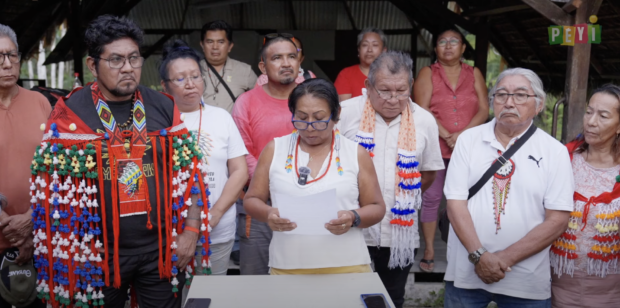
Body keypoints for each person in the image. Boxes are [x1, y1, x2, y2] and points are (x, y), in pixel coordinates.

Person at [29, 15, 213, 307]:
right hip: (96, 255)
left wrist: (191, 230)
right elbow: (52, 191)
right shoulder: (70, 114)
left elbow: (191, 172)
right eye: (115, 60)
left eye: (134, 58)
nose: (127, 68)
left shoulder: (163, 106)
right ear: (93, 65)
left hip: (160, 250)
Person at [443, 68, 574, 307]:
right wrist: (480, 256)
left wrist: (501, 259)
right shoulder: (468, 140)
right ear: (492, 102)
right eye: (501, 95)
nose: (509, 102)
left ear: (539, 104)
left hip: (526, 279)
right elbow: (455, 204)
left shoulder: (554, 151)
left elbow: (558, 220)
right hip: (466, 272)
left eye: (521, 95)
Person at [244, 78, 385, 274]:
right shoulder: (275, 149)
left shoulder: (355, 153)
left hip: (348, 265)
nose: (309, 126)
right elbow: (251, 200)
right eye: (301, 117)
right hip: (288, 266)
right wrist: (268, 214)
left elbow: (377, 207)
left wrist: (353, 217)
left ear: (336, 115)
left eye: (319, 118)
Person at [338, 51, 444, 308]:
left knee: (390, 299)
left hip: (399, 233)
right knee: (345, 297)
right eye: (384, 90)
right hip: (350, 227)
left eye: (401, 90)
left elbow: (428, 172)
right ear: (368, 86)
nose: (393, 99)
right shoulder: (344, 114)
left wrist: (403, 193)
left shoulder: (424, 120)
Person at [159, 40, 248, 275]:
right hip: (169, 233)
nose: (190, 84)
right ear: (164, 86)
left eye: (196, 76)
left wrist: (216, 213)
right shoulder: (157, 124)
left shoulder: (221, 117)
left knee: (208, 295)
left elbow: (240, 171)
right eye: (180, 79)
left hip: (216, 233)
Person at [413, 27, 489, 272]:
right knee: (432, 197)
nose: (448, 45)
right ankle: (429, 250)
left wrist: (462, 135)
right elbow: (421, 108)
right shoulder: (427, 73)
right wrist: (447, 135)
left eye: (454, 41)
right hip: (435, 147)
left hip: (467, 149)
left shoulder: (474, 73)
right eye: (442, 41)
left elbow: (484, 110)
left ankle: (471, 248)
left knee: (469, 199)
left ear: (463, 48)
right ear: (435, 49)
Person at [232, 33, 300, 275]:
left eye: (292, 56)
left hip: (304, 202)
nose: (286, 63)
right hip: (259, 204)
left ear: (299, 61)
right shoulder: (246, 102)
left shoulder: (312, 99)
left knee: (301, 279)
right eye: (277, 58)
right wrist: (272, 184)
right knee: (256, 280)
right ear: (263, 66)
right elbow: (242, 152)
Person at [550, 84, 620, 307]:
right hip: (555, 285)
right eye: (589, 112)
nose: (591, 121)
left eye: (603, 116)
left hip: (612, 291)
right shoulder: (563, 158)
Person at [0, 23, 51, 308]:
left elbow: (57, 169)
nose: (7, 64)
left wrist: (33, 221)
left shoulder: (40, 103)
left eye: (12, 55)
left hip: (41, 239)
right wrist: (9, 228)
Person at [200, 20, 257, 113]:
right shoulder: (192, 71)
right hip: (200, 127)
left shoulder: (245, 71)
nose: (215, 47)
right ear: (202, 45)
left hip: (234, 127)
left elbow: (261, 101)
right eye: (210, 42)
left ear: (230, 46)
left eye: (221, 42)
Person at [334, 27, 387, 101]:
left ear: (384, 51)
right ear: (358, 49)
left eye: (375, 45)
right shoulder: (346, 74)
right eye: (365, 45)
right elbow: (342, 108)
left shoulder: (393, 75)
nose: (369, 50)